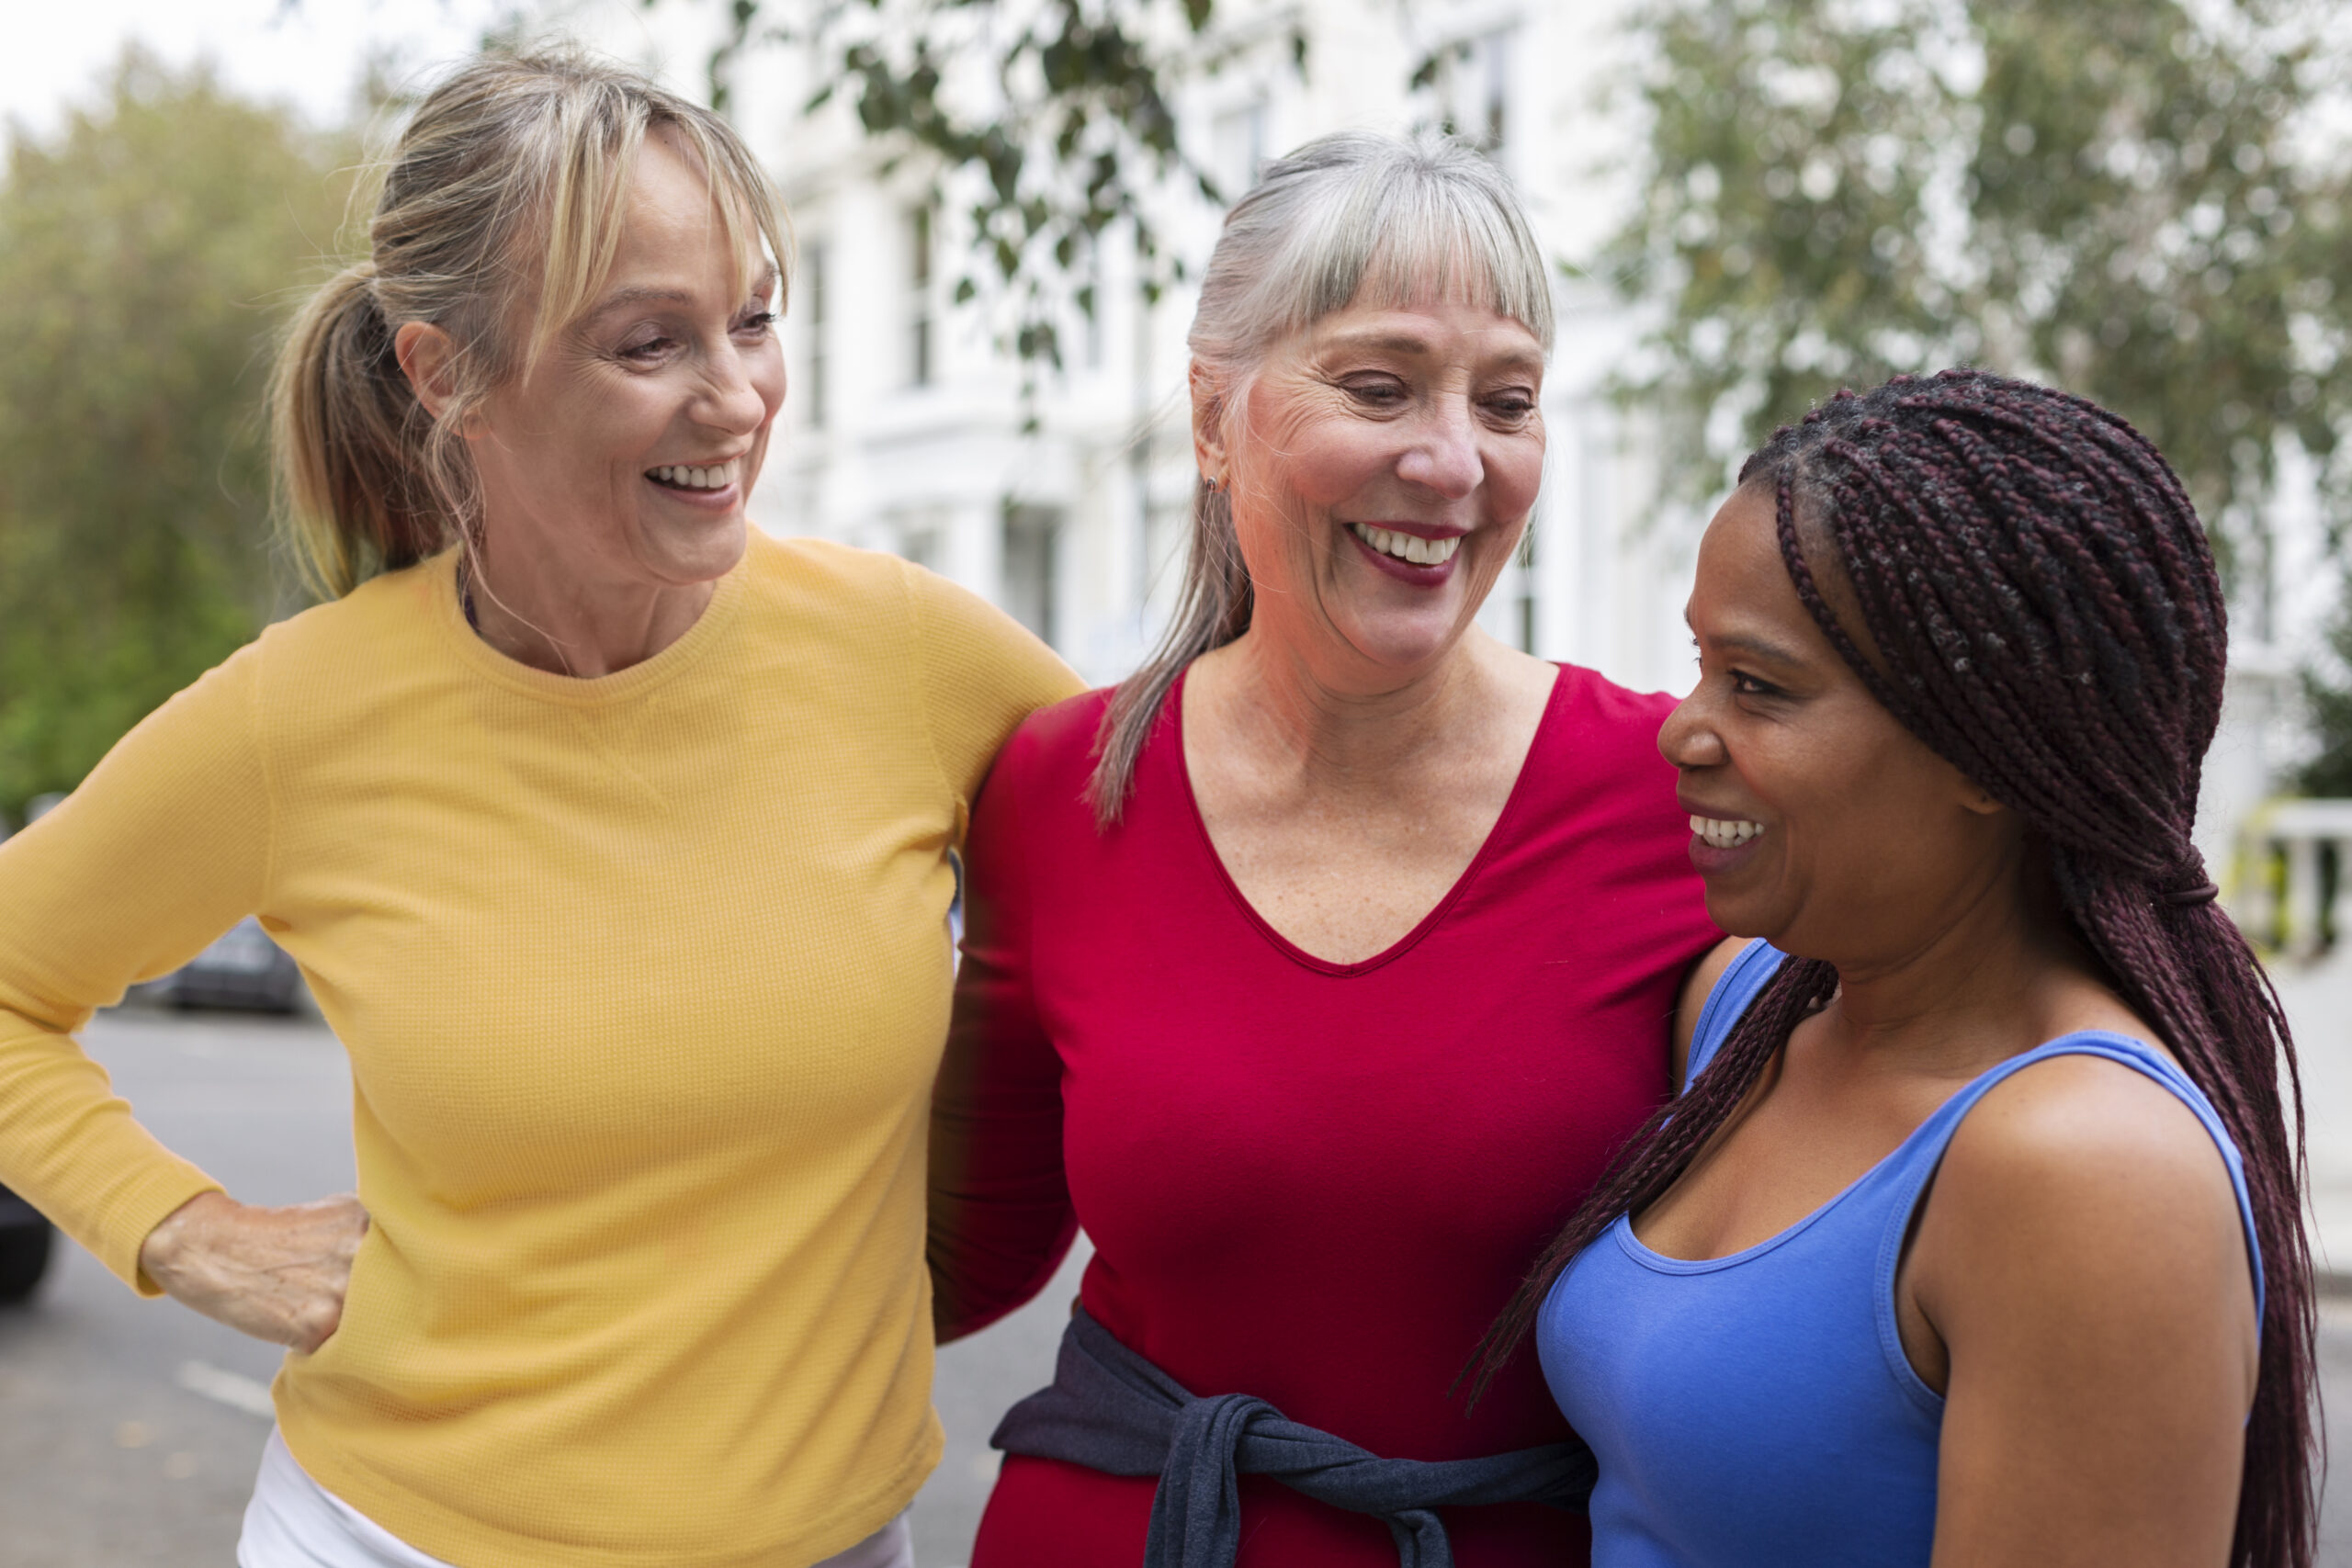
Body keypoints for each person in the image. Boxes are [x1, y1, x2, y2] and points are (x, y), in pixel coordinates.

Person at [0, 49, 1077, 1568]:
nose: (737, 398)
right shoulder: (300, 716)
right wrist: (183, 1234)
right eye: (651, 343)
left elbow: (1203, 848)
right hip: (401, 1539)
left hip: (839, 1538)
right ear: (449, 374)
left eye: (756, 320)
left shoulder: (907, 651)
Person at [925, 131, 1720, 1568]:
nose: (1451, 460)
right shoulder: (1059, 790)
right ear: (1215, 417)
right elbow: (946, 1258)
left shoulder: (1670, 797)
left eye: (1510, 401)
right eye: (1378, 385)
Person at [1509, 370, 2315, 1568]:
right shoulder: (1749, 1012)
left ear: (1988, 754)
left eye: (1760, 687)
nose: (1682, 729)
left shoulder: (2090, 1170)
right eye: (1700, 666)